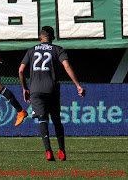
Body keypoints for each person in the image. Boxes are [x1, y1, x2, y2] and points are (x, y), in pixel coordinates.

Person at [18, 26, 85, 161]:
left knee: (42, 119)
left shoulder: (31, 50)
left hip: (35, 90)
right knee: (56, 120)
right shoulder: (57, 49)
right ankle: (62, 150)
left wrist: (25, 88)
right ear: (53, 38)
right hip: (51, 89)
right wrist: (77, 85)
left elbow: (20, 70)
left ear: (40, 37)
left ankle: (48, 152)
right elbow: (66, 66)